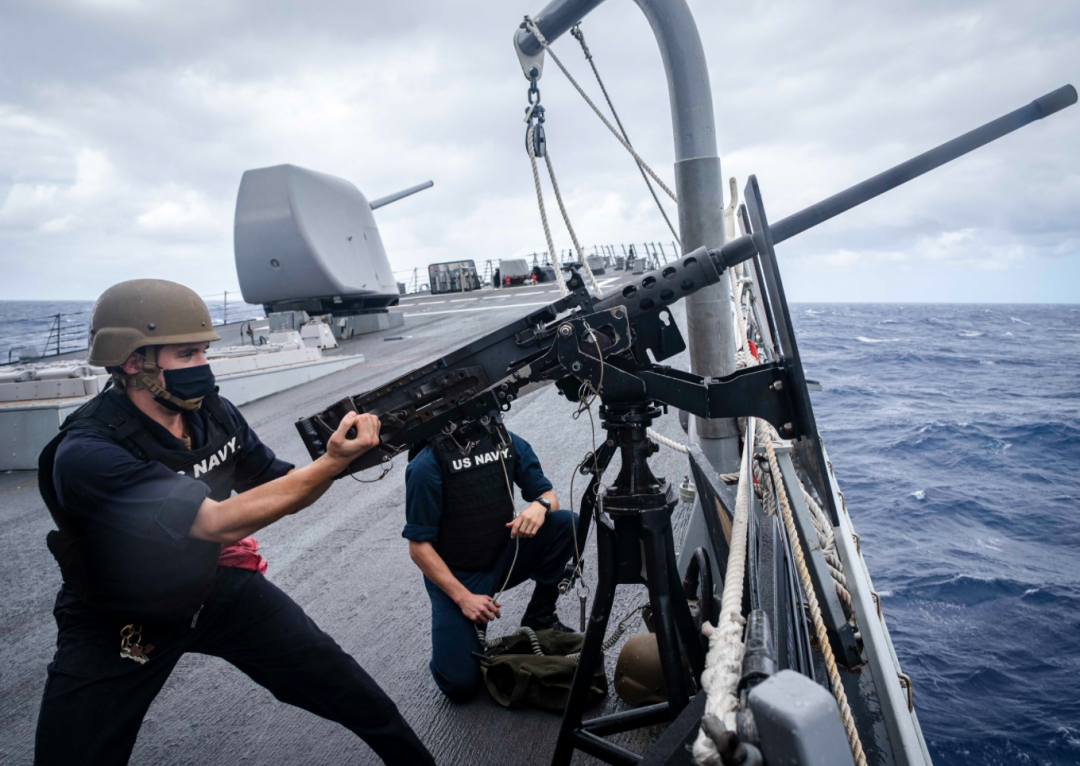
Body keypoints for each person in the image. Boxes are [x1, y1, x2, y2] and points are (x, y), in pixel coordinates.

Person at [34, 279, 434, 766]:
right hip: (119, 618)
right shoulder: (89, 452)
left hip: (209, 588)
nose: (203, 367)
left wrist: (363, 448)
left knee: (344, 686)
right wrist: (329, 465)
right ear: (133, 362)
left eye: (204, 352)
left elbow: (280, 487)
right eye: (186, 355)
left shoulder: (212, 414)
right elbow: (218, 523)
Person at [403, 416, 577, 702]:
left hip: (504, 556)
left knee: (568, 523)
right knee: (460, 685)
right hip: (459, 577)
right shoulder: (426, 465)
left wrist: (540, 506)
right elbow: (419, 549)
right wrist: (463, 599)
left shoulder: (504, 441)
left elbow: (548, 496)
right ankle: (454, 641)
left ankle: (539, 617)